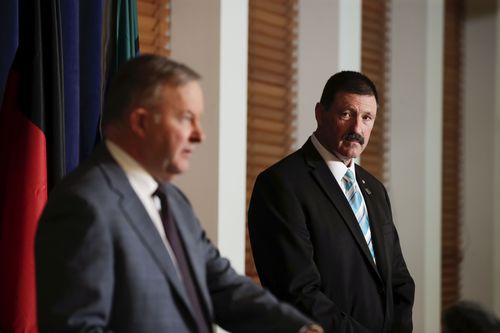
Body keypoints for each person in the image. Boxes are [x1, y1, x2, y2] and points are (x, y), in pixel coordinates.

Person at [35, 54, 323, 333]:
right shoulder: (84, 204)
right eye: (187, 118)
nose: (200, 135)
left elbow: (221, 285)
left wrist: (300, 329)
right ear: (141, 122)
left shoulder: (172, 200)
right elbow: (77, 327)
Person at [248, 71, 415, 333]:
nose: (357, 129)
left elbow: (399, 279)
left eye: (367, 118)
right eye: (346, 114)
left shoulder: (375, 189)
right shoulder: (281, 185)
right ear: (319, 113)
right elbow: (298, 292)